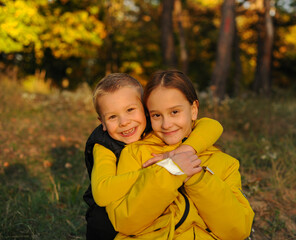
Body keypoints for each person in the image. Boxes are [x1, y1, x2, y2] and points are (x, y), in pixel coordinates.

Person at [105, 70, 255, 239]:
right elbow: (125, 222)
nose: (166, 124)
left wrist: (197, 177)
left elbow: (237, 230)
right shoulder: (135, 154)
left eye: (174, 112)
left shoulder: (225, 163)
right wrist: (171, 171)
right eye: (156, 115)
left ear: (193, 110)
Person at [84, 73, 224, 239]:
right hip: (109, 221)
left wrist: (185, 149)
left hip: (143, 205)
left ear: (144, 109)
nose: (124, 122)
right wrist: (159, 169)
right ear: (103, 123)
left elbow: (212, 125)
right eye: (113, 117)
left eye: (130, 110)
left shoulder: (154, 121)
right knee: (102, 220)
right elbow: (102, 193)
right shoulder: (103, 145)